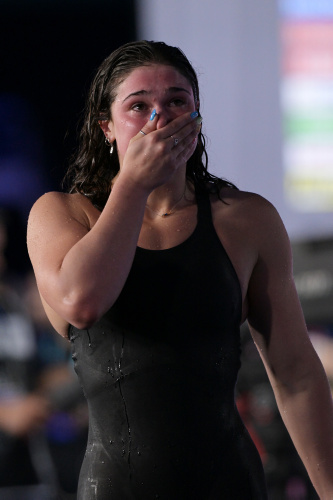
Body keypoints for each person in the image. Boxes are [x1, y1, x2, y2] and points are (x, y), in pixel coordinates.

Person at [27, 40, 333, 499]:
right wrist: (133, 183)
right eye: (139, 105)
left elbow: (296, 374)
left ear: (197, 115)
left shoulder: (245, 219)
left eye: (176, 101)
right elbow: (82, 302)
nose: (160, 117)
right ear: (106, 128)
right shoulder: (64, 215)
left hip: (230, 484)